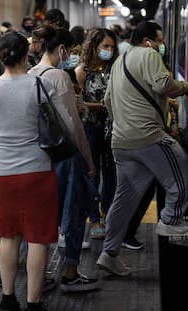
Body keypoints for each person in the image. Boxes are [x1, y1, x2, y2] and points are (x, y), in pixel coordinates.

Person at [96, 21, 188, 276]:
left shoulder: (119, 60)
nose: (162, 44)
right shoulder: (149, 54)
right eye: (160, 39)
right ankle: (171, 221)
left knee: (124, 199)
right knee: (183, 168)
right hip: (147, 136)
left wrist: (125, 121)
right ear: (147, 40)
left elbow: (107, 100)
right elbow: (165, 86)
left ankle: (108, 254)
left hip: (121, 142)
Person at [0, 31, 61, 311]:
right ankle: (34, 303)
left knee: (8, 235)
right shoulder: (39, 85)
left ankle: (8, 299)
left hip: (2, 173)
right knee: (38, 238)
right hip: (37, 171)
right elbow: (58, 127)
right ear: (27, 55)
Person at [28, 24, 99, 293]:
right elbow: (72, 124)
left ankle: (40, 275)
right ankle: (70, 272)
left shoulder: (30, 73)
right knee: (74, 211)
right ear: (61, 49)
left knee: (44, 216)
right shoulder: (59, 76)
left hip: (38, 158)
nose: (70, 55)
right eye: (69, 51)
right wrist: (88, 158)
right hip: (64, 158)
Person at [75, 28, 119, 239]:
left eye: (112, 47)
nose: (109, 50)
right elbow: (79, 104)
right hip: (91, 128)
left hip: (113, 128)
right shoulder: (82, 71)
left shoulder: (115, 68)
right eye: (105, 46)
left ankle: (107, 212)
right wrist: (100, 106)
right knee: (93, 173)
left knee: (112, 173)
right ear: (94, 46)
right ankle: (94, 219)